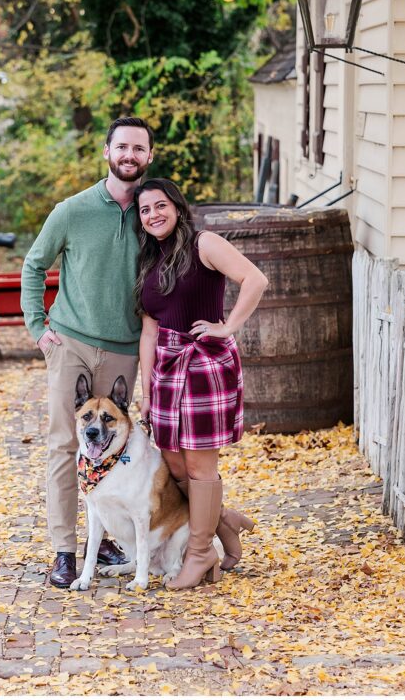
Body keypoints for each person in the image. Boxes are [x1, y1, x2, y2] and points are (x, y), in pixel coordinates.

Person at [21, 116, 155, 587]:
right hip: (71, 343)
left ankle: (109, 539)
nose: (130, 155)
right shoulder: (72, 210)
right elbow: (34, 265)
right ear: (107, 151)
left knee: (118, 447)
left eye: (139, 149)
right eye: (122, 147)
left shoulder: (152, 214)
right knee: (65, 445)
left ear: (149, 157)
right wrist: (38, 327)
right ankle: (63, 551)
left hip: (123, 350)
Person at [135, 177, 268, 589]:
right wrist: (147, 390)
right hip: (166, 368)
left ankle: (199, 554)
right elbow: (149, 332)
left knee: (198, 464)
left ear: (176, 207)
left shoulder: (203, 243)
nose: (153, 215)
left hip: (203, 361)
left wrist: (227, 326)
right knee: (174, 462)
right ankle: (224, 519)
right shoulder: (149, 262)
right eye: (144, 210)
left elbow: (255, 280)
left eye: (160, 206)